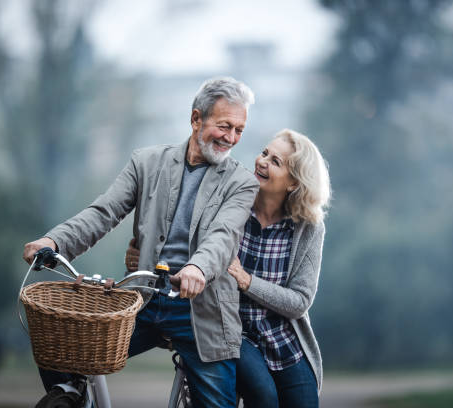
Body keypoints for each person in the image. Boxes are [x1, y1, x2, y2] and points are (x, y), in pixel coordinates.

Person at [23, 77, 260, 408]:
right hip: (143, 299)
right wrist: (54, 240)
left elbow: (223, 236)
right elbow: (104, 212)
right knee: (59, 355)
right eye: (224, 126)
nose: (230, 138)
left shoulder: (242, 183)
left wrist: (197, 268)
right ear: (196, 119)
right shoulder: (147, 162)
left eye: (239, 130)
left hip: (202, 311)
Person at [126, 129, 330, 407]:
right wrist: (145, 256)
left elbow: (300, 302)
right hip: (232, 330)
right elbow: (187, 246)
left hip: (283, 339)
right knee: (264, 398)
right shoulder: (232, 204)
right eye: (264, 153)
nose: (262, 161)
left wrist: (246, 280)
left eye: (276, 162)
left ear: (294, 182)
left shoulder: (308, 228)